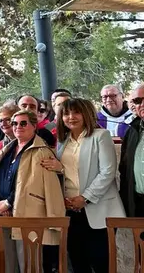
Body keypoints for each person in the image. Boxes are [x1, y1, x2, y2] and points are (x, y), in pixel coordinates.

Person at [40, 98, 124, 273]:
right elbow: (68, 171)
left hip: (99, 208)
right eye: (66, 113)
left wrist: (85, 198)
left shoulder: (101, 136)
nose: (71, 117)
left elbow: (108, 172)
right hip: (71, 209)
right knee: (78, 262)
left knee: (102, 263)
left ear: (86, 114)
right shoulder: (63, 141)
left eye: (76, 112)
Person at [0, 110, 64, 273]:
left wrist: (8, 202)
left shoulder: (41, 151)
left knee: (29, 263)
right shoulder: (6, 149)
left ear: (34, 126)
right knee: (8, 264)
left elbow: (35, 184)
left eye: (23, 123)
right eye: (14, 123)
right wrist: (0, 204)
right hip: (3, 215)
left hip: (28, 215)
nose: (17, 127)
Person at [120, 83, 144, 216]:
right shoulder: (132, 132)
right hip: (138, 203)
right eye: (138, 101)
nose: (142, 104)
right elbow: (124, 169)